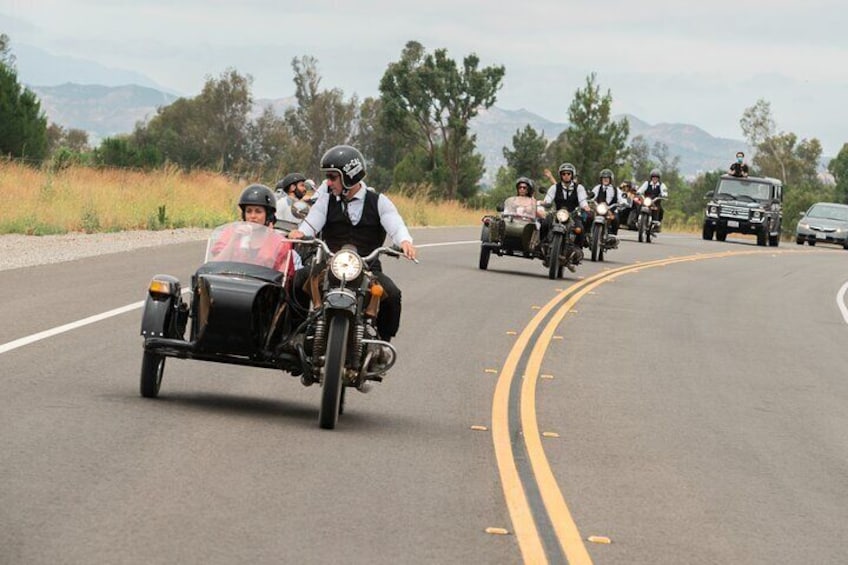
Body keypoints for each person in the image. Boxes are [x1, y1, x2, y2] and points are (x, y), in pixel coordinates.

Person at [289, 144, 417, 342]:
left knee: (392, 295)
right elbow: (312, 222)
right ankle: (294, 334)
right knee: (297, 280)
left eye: (332, 177)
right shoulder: (325, 201)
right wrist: (300, 233)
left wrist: (405, 241)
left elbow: (395, 223)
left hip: (367, 267)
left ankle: (382, 343)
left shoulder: (379, 201)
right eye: (328, 177)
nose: (328, 183)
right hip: (330, 265)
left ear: (349, 176)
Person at [210, 183, 297, 278]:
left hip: (263, 290)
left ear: (268, 215)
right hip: (231, 285)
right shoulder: (231, 233)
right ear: (244, 214)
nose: (253, 216)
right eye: (249, 211)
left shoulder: (280, 243)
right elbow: (215, 266)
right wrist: (234, 239)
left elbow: (283, 279)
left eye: (258, 211)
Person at [539, 162, 591, 246]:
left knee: (580, 229)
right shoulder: (554, 187)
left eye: (568, 173)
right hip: (557, 214)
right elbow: (548, 200)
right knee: (544, 223)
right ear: (561, 175)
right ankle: (542, 244)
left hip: (573, 214)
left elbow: (582, 201)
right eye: (563, 174)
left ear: (572, 175)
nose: (566, 175)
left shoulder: (579, 188)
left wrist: (585, 206)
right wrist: (543, 203)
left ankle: (577, 248)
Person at [591, 169, 624, 234]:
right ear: (601, 179)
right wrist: (589, 199)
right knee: (589, 217)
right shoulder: (597, 188)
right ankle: (589, 233)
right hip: (599, 210)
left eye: (607, 178)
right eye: (604, 178)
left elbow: (621, 199)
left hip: (612, 210)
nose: (605, 180)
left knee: (615, 219)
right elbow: (591, 196)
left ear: (611, 179)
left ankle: (613, 234)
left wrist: (622, 203)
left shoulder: (616, 190)